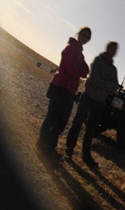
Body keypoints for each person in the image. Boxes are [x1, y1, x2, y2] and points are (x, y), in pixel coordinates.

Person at [37, 27, 91, 162]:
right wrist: (78, 71)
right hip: (60, 87)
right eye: (83, 35)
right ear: (78, 35)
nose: (84, 38)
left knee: (62, 121)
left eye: (87, 37)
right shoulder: (70, 48)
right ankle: (43, 144)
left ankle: (50, 146)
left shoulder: (80, 53)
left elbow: (86, 71)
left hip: (70, 91)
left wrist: (78, 71)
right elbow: (71, 69)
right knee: (52, 117)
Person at [65, 41, 121, 168]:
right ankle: (69, 149)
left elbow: (115, 87)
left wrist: (103, 84)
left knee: (91, 129)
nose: (113, 51)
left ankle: (86, 155)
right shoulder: (98, 61)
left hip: (100, 102)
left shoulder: (113, 69)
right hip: (88, 97)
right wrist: (107, 84)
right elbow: (95, 78)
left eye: (115, 49)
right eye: (111, 48)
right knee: (77, 123)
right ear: (107, 48)